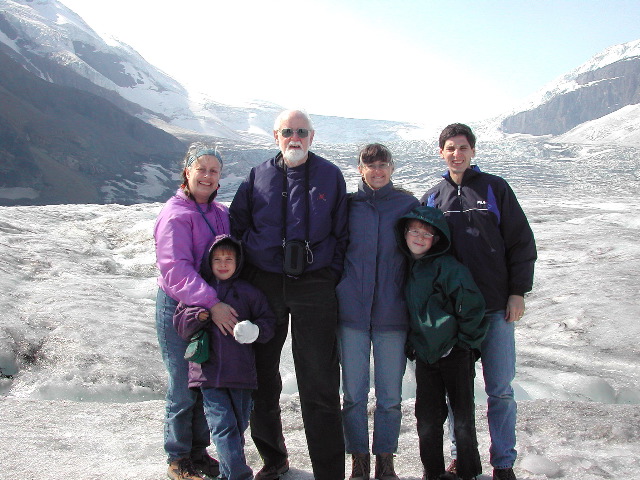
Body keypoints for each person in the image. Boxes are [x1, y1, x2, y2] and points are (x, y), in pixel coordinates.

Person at [229, 109, 348, 480]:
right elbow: (237, 224)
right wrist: (250, 274)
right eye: (287, 131)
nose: (294, 137)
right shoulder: (258, 175)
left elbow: (343, 232)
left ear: (312, 136)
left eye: (301, 131)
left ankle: (328, 472)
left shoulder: (330, 174)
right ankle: (273, 457)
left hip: (314, 285)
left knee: (319, 380)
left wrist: (330, 274)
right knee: (262, 376)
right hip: (266, 283)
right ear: (275, 136)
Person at [422, 123, 537, 480]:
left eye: (463, 147)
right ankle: (461, 457)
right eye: (450, 148)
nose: (457, 153)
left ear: (473, 152)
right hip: (453, 315)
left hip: (495, 308)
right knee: (458, 393)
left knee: (500, 389)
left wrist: (517, 291)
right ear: (441, 152)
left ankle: (503, 463)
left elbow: (520, 242)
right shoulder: (432, 197)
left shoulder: (495, 188)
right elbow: (423, 255)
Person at [155, 142, 238, 480]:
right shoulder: (175, 214)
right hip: (180, 308)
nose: (207, 176)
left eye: (213, 171)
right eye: (201, 169)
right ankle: (178, 458)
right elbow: (175, 269)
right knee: (181, 385)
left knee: (204, 381)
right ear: (187, 171)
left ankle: (198, 451)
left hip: (207, 307)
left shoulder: (219, 212)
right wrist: (214, 303)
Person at [336, 143, 419, 480]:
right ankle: (359, 460)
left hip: (392, 314)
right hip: (352, 313)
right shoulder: (347, 206)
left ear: (392, 168)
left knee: (390, 395)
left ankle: (385, 460)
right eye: (370, 166)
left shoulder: (407, 205)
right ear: (360, 169)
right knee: (353, 394)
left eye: (383, 165)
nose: (377, 171)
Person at [173, 235, 276, 480]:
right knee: (223, 427)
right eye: (217, 259)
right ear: (209, 262)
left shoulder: (249, 292)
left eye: (228, 259)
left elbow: (268, 322)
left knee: (238, 427)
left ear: (238, 261)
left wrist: (255, 330)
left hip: (241, 375)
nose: (222, 264)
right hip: (208, 375)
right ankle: (239, 475)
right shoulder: (199, 291)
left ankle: (227, 474)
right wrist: (198, 315)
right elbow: (180, 323)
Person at [395, 206, 487, 480]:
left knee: (462, 418)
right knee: (427, 420)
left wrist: (464, 344)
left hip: (454, 353)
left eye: (427, 234)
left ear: (437, 239)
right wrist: (414, 343)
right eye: (415, 231)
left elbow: (472, 306)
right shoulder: (408, 266)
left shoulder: (448, 267)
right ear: (406, 233)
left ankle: (468, 471)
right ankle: (432, 472)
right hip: (426, 355)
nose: (420, 238)